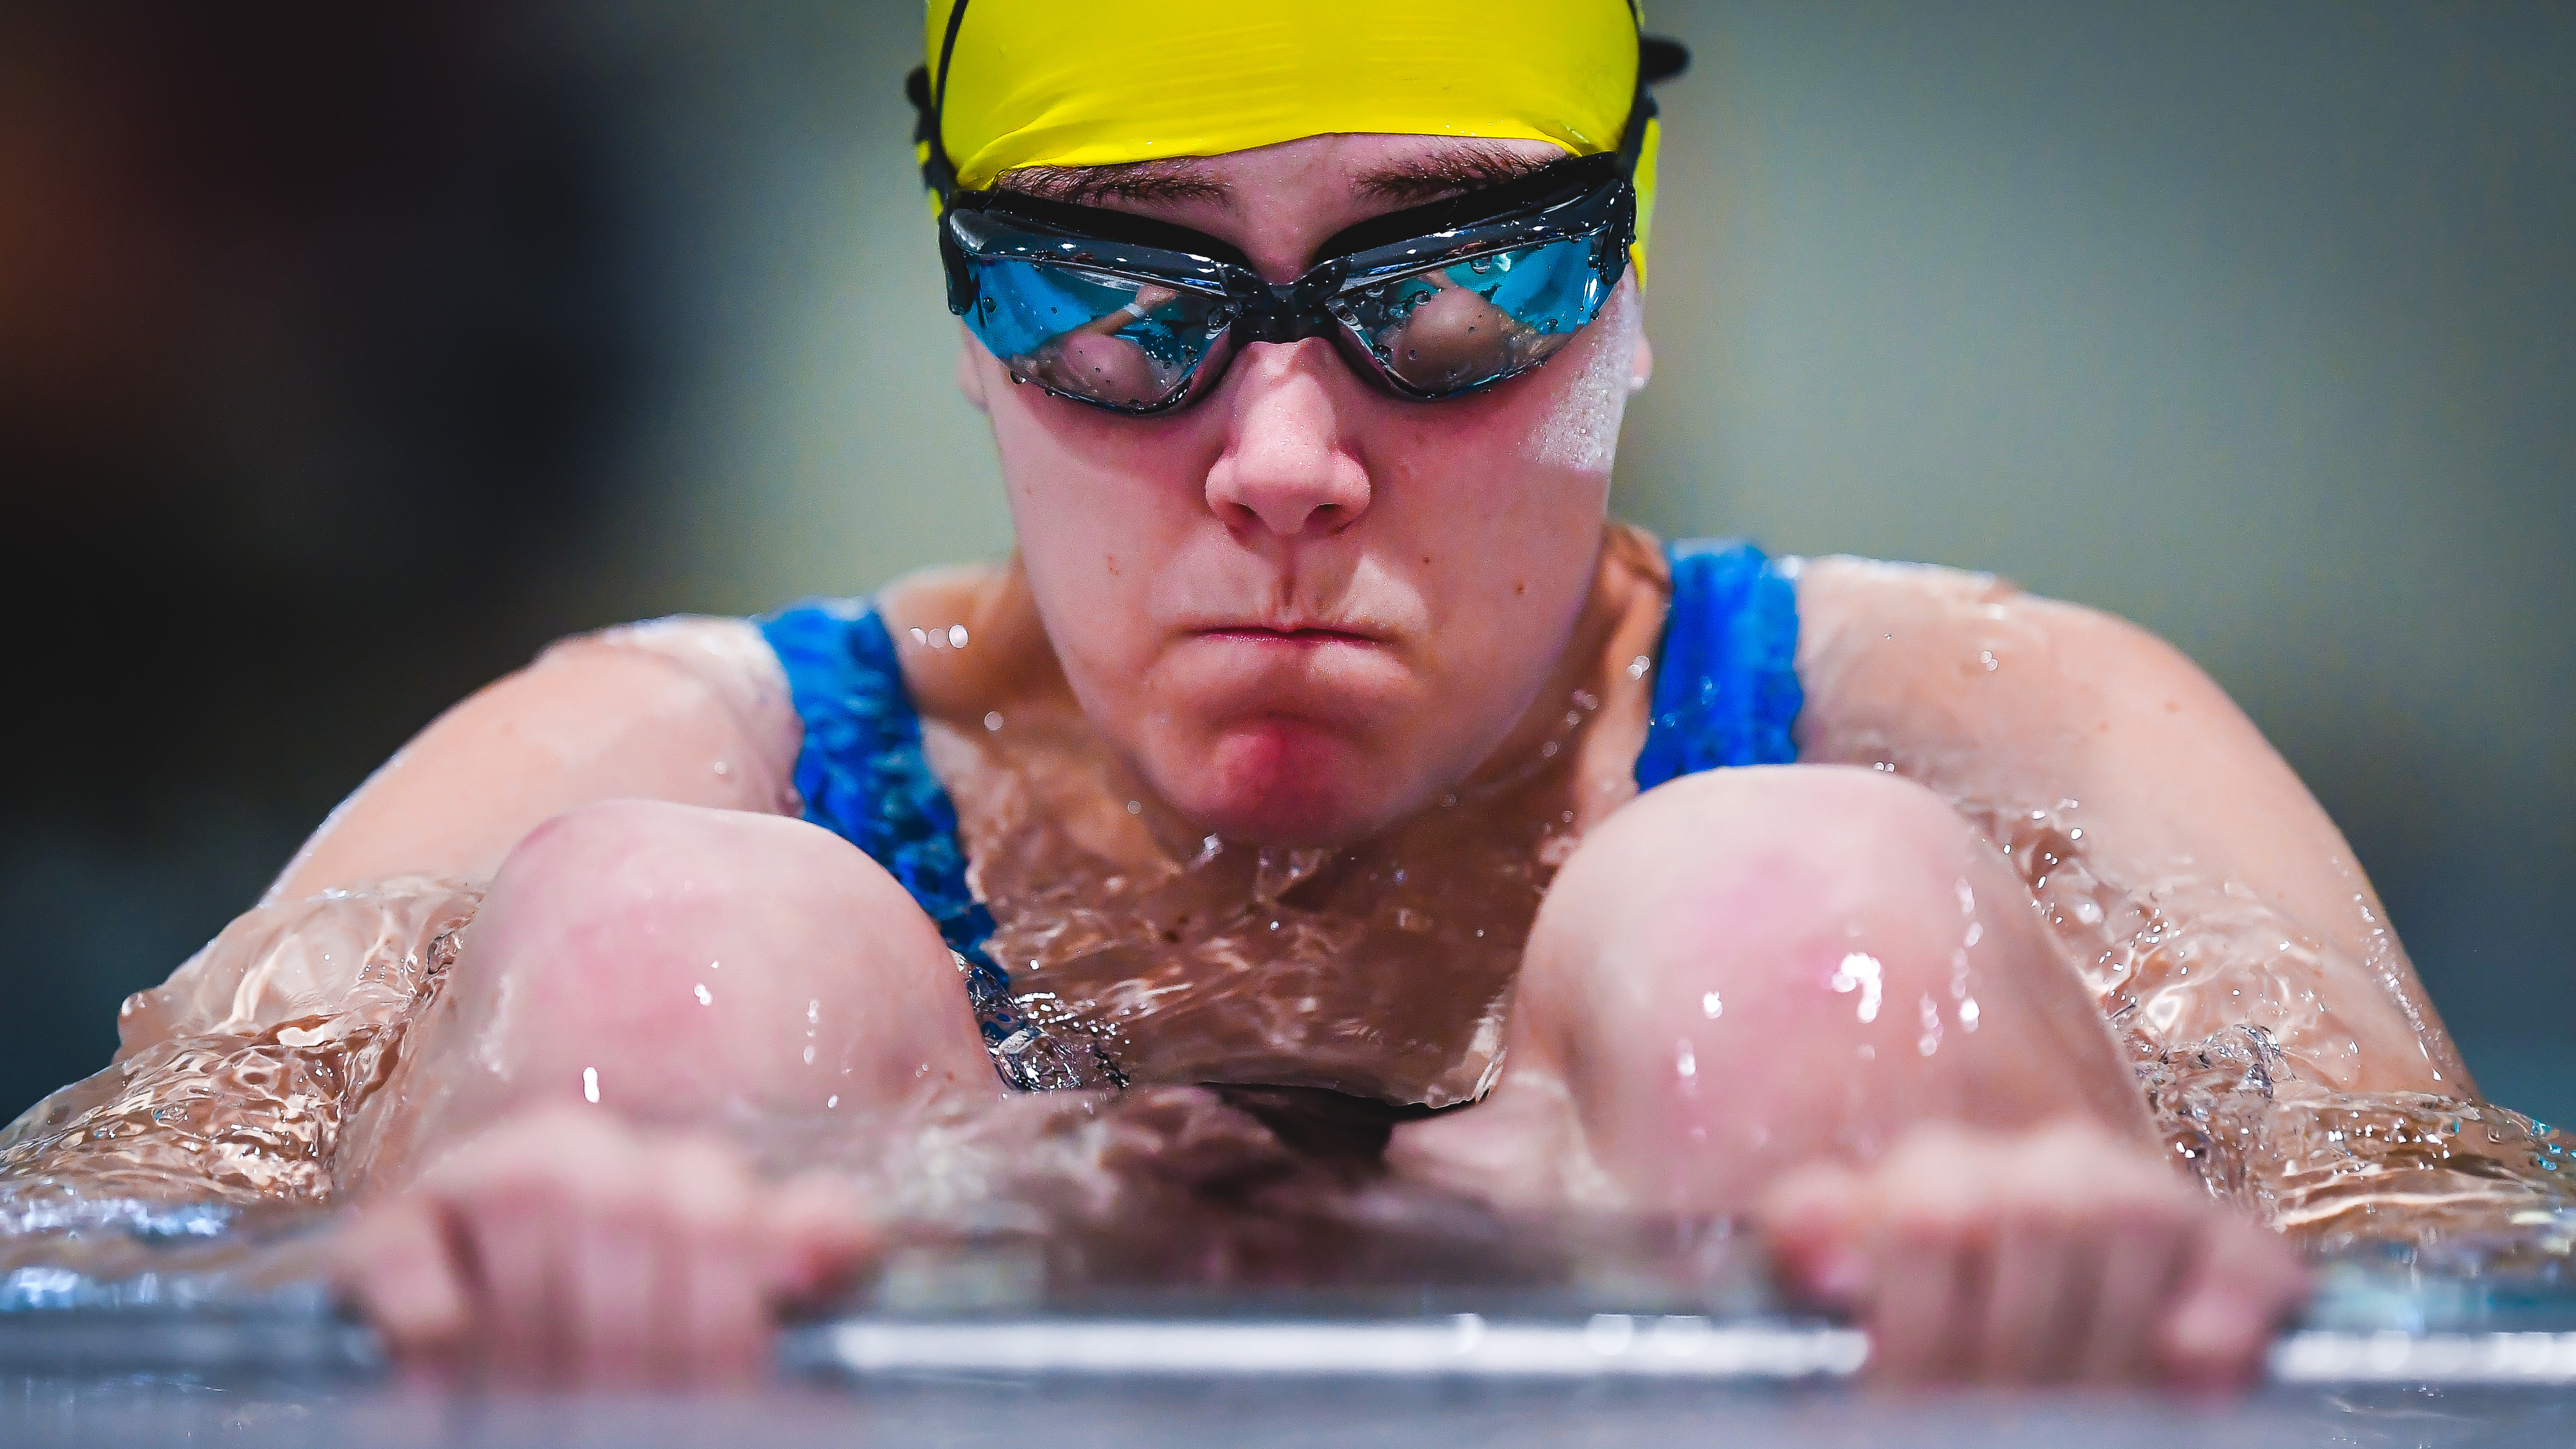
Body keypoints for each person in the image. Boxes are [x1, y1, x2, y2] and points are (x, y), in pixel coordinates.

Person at [16, 0, 2532, 1390]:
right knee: (662, 969)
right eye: (1126, 305)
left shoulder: (2004, 725)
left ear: (1629, 302)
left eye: (1454, 288)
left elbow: (2477, 1295)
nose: (1291, 461)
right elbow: (73, 1299)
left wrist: (2149, 1257)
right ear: (970, 330)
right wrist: (403, 1272)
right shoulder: (652, 746)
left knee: (1810, 933)